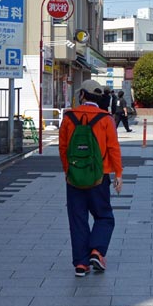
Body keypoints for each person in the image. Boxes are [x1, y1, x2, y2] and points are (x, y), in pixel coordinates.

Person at [58, 79, 123, 277]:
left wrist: (69, 171)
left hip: (74, 177)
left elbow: (63, 148)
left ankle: (81, 263)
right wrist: (118, 174)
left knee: (77, 219)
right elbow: (113, 147)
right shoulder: (105, 118)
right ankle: (97, 250)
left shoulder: (69, 117)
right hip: (99, 176)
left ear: (83, 95)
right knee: (104, 216)